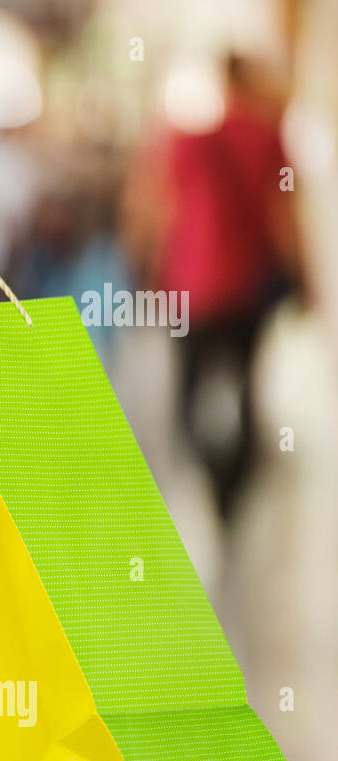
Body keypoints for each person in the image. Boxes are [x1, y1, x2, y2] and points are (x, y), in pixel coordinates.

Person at [136, 53, 302, 522]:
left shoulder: (188, 139)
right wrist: (303, 276)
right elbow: (284, 215)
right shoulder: (270, 137)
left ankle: (200, 476)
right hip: (246, 289)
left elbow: (159, 209)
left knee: (188, 389)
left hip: (189, 286)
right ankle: (231, 488)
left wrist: (148, 271)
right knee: (246, 387)